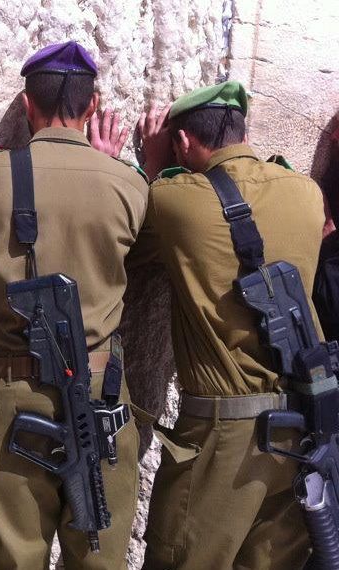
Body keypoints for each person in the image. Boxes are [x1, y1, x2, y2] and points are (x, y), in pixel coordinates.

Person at [0, 41, 147, 570]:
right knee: (97, 554)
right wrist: (105, 171)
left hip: (15, 392)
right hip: (101, 396)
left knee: (8, 556)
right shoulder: (130, 185)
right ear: (93, 105)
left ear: (28, 105)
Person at [134, 81, 324, 570]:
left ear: (182, 143)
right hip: (303, 426)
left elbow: (141, 240)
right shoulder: (307, 192)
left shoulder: (173, 198)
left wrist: (156, 166)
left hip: (225, 435)